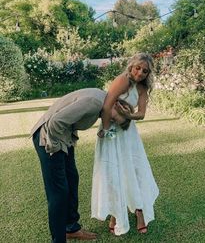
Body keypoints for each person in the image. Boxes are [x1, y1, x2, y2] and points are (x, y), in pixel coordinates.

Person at [30, 88, 131, 243]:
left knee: (72, 180)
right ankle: (59, 239)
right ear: (117, 105)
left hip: (64, 139)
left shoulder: (104, 103)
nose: (112, 122)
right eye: (115, 119)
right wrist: (55, 149)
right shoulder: (95, 102)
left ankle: (71, 228)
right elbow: (56, 122)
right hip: (48, 139)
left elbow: (103, 132)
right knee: (58, 191)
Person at [91, 53, 159, 236]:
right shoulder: (122, 80)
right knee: (114, 170)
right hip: (111, 130)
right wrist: (107, 132)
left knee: (135, 169)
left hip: (129, 133)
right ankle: (116, 214)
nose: (140, 73)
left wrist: (128, 116)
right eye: (138, 68)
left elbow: (141, 114)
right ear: (131, 66)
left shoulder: (143, 87)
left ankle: (139, 212)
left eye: (145, 71)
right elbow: (106, 107)